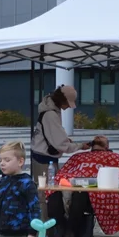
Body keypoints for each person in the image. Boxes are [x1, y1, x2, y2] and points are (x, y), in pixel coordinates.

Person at [46, 136, 119, 237]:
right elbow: (63, 172)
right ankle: (61, 227)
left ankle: (71, 232)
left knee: (79, 195)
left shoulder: (114, 157)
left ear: (107, 146)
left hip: (94, 192)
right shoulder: (78, 156)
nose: (99, 137)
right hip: (70, 186)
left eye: (102, 139)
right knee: (53, 193)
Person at [31, 85, 87, 213]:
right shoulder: (51, 114)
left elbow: (55, 137)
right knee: (45, 195)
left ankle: (50, 226)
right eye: (67, 104)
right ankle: (45, 227)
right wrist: (80, 146)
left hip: (43, 156)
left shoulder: (51, 109)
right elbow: (60, 144)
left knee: (47, 193)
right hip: (44, 158)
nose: (68, 107)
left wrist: (66, 141)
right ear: (61, 100)